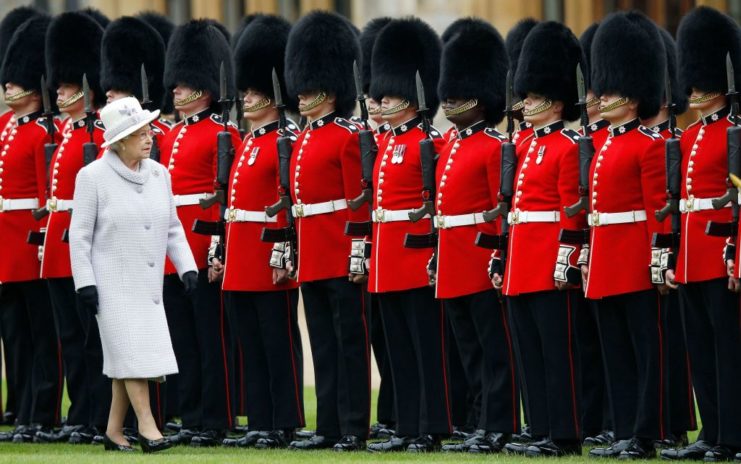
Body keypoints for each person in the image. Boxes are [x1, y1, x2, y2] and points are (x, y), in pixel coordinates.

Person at [69, 96, 198, 453]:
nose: (150, 138)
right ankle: (148, 427)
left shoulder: (160, 175)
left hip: (148, 286)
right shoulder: (92, 177)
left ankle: (113, 431)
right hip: (110, 286)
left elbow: (173, 228)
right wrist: (86, 283)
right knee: (131, 356)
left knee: (125, 359)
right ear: (119, 141)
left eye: (149, 131)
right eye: (140, 133)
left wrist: (187, 266)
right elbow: (79, 236)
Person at [212, 14, 305, 450]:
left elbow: (289, 200)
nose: (246, 98)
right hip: (240, 253)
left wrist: (286, 253)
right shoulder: (245, 140)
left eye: (253, 92)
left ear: (273, 94)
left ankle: (284, 421)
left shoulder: (286, 139)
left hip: (268, 253)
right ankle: (259, 421)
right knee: (249, 342)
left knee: (276, 342)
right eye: (245, 92)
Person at [494, 21, 585, 458]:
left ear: (553, 100)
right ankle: (539, 426)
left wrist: (566, 260)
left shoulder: (568, 146)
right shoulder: (526, 144)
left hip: (549, 258)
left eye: (530, 97)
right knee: (528, 352)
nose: (524, 103)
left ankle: (564, 434)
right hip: (521, 260)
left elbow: (572, 210)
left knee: (556, 354)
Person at [283, 11, 371, 452]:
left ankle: (355, 426)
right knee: (322, 343)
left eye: (309, 86)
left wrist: (358, 251)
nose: (300, 95)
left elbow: (359, 199)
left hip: (340, 251)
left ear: (330, 90)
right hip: (313, 253)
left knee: (350, 342)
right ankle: (329, 426)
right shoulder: (303, 138)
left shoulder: (348, 136)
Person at [365, 17, 452, 454]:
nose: (384, 99)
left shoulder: (429, 143)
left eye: (393, 92)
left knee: (425, 349)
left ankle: (430, 426)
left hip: (415, 258)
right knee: (398, 351)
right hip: (387, 258)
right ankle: (405, 425)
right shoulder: (386, 143)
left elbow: (436, 206)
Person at [433, 18, 520, 454]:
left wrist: (497, 256)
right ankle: (476, 420)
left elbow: (499, 212)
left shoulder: (493, 145)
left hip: (478, 259)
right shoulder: (450, 144)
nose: (449, 98)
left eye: (458, 90)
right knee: (468, 348)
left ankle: (498, 423)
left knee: (493, 348)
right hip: (451, 256)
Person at [584, 12, 669, 460]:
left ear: (634, 98)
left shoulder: (649, 144)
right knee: (614, 351)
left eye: (613, 89)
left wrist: (659, 258)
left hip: (635, 257)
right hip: (606, 257)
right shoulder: (606, 144)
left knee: (644, 352)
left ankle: (645, 434)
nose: (605, 96)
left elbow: (659, 209)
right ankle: (622, 431)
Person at [662, 7, 741, 462]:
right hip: (691, 257)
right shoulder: (688, 137)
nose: (693, 89)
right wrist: (672, 256)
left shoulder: (735, 133)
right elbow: (679, 205)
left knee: (727, 351)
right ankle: (710, 434)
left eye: (700, 79)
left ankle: (732, 436)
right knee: (701, 350)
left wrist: (736, 254)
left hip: (720, 255)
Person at [160, 19, 241, 447]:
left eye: (184, 81)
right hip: (173, 250)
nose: (174, 88)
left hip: (203, 246)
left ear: (205, 87)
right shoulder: (171, 134)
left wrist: (218, 250)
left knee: (213, 339)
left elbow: (225, 201)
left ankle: (216, 417)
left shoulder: (223, 134)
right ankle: (190, 414)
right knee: (183, 340)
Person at [0, 11, 63, 443]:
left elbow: (46, 197)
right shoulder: (5, 127)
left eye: (15, 79)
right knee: (15, 336)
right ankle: (21, 408)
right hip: (6, 243)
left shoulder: (46, 131)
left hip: (30, 240)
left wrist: (41, 243)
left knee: (43, 333)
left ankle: (43, 412)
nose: (7, 85)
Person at [640, 27, 697, 451]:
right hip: (656, 253)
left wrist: (665, 255)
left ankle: (674, 423)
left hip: (678, 252)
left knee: (672, 345)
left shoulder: (672, 141)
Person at [358, 16, 395, 440]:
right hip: (372, 250)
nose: (373, 102)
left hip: (391, 247)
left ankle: (397, 412)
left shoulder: (404, 141)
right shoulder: (364, 137)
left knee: (394, 340)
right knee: (379, 339)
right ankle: (387, 414)